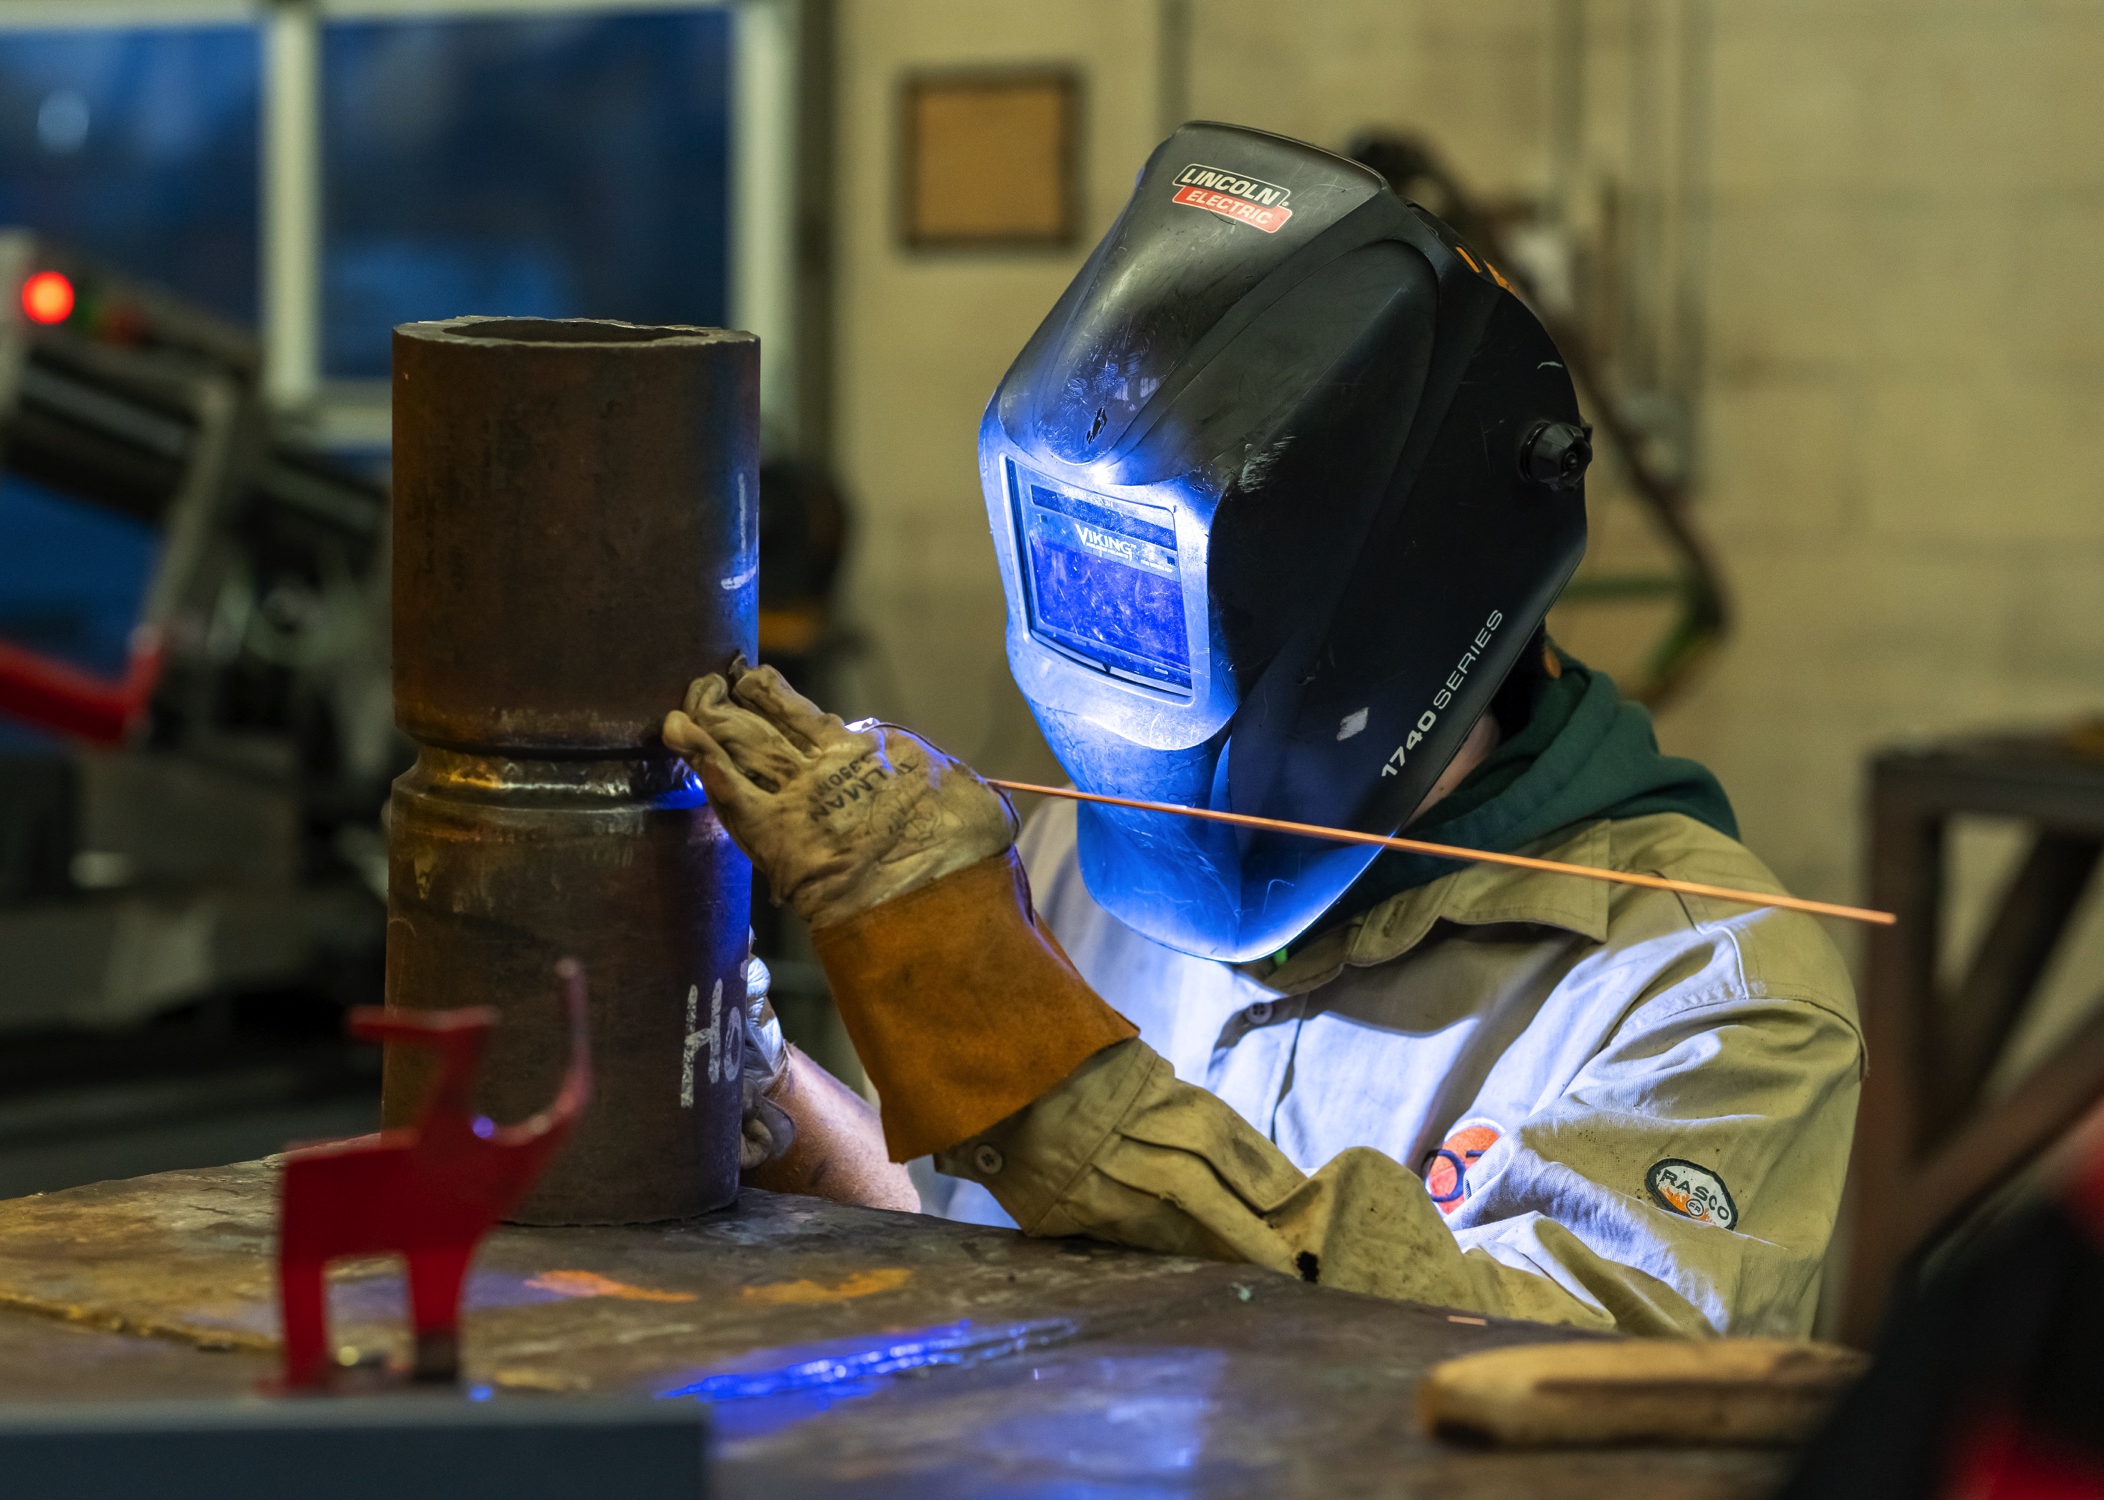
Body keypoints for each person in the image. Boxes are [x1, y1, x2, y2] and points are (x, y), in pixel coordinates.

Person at [682, 122, 1860, 1338]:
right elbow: (965, 1259)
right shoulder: (1067, 861)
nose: (1135, 678)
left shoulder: (1705, 995)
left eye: (1168, 609)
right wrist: (752, 1091)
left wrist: (1044, 1090)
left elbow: (1555, 1405)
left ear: (1396, 614)